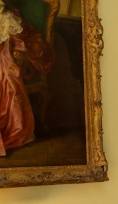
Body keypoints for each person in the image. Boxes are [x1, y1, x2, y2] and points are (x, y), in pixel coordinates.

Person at [0, 0, 54, 156]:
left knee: (6, 74)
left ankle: (13, 129)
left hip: (6, 51)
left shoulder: (8, 18)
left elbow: (14, 39)